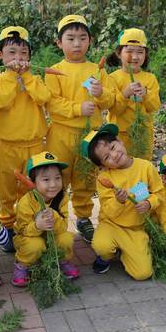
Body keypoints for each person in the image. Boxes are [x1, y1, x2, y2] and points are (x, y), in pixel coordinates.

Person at [45, 14, 115, 243]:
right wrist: (77, 108)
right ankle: (57, 216)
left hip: (90, 135)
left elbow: (110, 100)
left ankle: (83, 218)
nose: (77, 44)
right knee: (58, 178)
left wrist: (100, 93)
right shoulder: (54, 70)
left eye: (82, 38)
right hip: (61, 133)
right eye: (70, 38)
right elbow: (52, 103)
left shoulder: (97, 69)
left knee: (86, 178)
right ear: (59, 42)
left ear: (90, 41)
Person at [0, 26, 50, 251]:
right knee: (5, 189)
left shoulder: (35, 78)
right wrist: (13, 80)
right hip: (7, 146)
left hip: (35, 145)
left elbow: (43, 98)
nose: (19, 58)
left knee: (32, 188)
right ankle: (6, 225)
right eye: (12, 52)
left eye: (24, 53)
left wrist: (26, 77)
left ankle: (29, 224)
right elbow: (0, 102)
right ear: (0, 56)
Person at [82, 124, 163, 280]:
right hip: (112, 225)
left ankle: (127, 251)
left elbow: (160, 193)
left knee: (143, 274)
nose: (114, 155)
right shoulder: (104, 178)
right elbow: (108, 210)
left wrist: (149, 203)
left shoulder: (145, 167)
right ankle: (105, 256)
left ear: (120, 141)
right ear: (102, 166)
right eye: (106, 157)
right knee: (102, 246)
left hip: (136, 228)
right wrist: (118, 202)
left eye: (113, 147)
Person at [12, 151, 79, 287]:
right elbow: (23, 230)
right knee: (35, 245)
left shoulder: (62, 198)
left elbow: (63, 227)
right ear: (33, 183)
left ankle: (62, 260)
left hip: (53, 235)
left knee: (66, 238)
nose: (53, 184)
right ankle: (22, 265)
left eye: (57, 178)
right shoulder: (26, 202)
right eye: (46, 180)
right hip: (30, 237)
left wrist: (54, 215)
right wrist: (37, 226)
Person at [106, 28, 160, 160]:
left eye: (140, 52)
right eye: (129, 51)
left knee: (142, 168)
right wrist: (124, 94)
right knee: (121, 165)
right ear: (119, 53)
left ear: (145, 54)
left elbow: (154, 107)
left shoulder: (150, 78)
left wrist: (146, 93)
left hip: (143, 134)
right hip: (121, 135)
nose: (135, 57)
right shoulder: (112, 78)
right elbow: (114, 109)